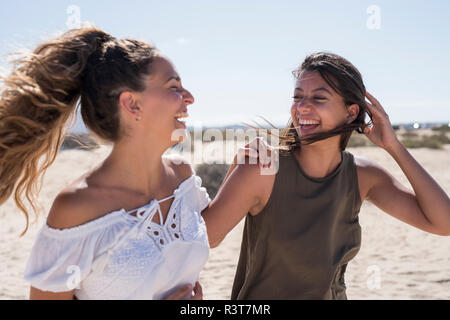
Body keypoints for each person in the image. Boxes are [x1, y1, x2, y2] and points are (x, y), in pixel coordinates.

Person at [201, 52, 450, 299]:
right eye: (298, 97)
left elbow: (443, 223)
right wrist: (236, 167)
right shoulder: (264, 168)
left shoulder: (363, 176)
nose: (302, 107)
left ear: (351, 112)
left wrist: (393, 146)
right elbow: (208, 239)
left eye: (319, 98)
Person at [0, 27, 209, 300]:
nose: (189, 97)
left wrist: (252, 170)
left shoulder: (181, 178)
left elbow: (202, 235)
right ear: (132, 104)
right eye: (174, 87)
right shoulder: (76, 209)